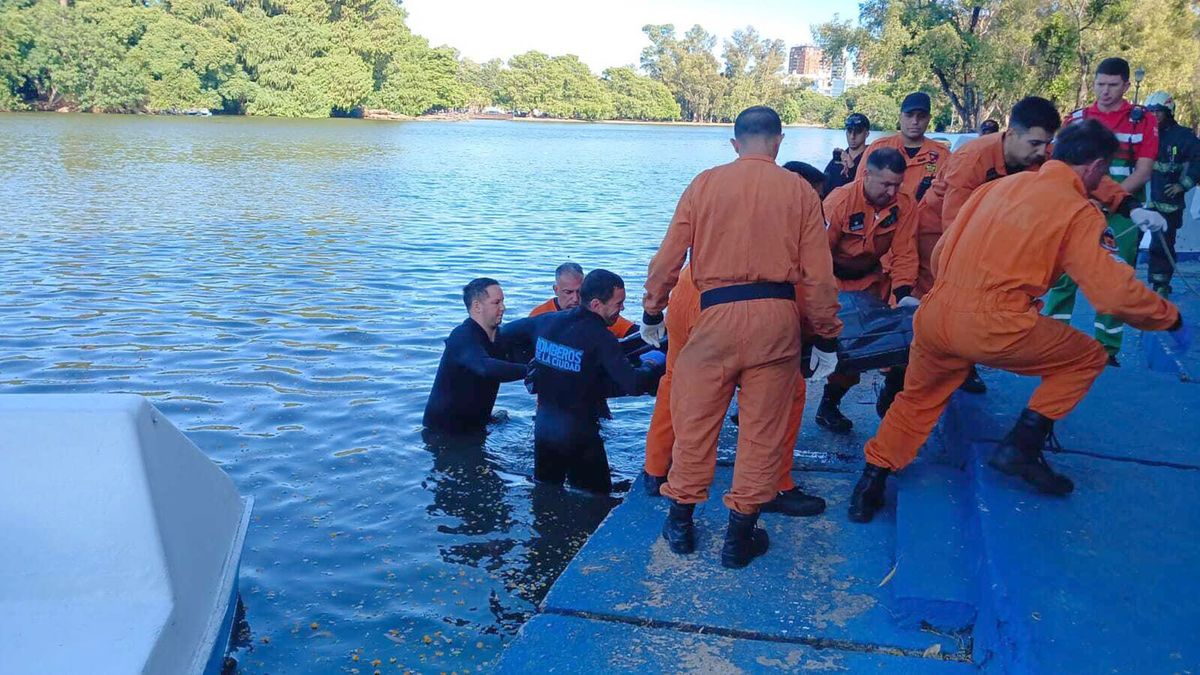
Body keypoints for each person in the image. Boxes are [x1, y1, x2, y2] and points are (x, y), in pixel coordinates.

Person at [846, 120, 1187, 523]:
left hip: (936, 312)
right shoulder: (1077, 211)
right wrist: (1169, 317)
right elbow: (1112, 295)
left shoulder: (996, 188)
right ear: (1096, 167)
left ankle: (870, 483)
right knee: (1086, 357)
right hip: (994, 323)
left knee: (918, 399)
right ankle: (1023, 446)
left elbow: (940, 253)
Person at [640, 106, 842, 569]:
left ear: (736, 144)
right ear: (778, 141)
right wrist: (827, 336)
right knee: (761, 433)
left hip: (715, 316)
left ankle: (681, 524)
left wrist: (653, 309)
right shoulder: (798, 191)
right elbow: (818, 276)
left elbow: (669, 256)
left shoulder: (705, 184)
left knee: (695, 425)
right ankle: (738, 539)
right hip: (777, 320)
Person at [641, 264, 827, 518]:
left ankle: (655, 469)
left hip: (689, 285)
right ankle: (775, 484)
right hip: (737, 304)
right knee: (788, 391)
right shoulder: (789, 226)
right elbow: (806, 287)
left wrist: (652, 311)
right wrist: (821, 336)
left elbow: (668, 256)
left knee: (676, 380)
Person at [1045, 57, 1167, 366]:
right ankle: (1053, 340)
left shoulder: (1142, 121)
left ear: (1126, 85)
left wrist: (1110, 199)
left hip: (1123, 212)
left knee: (1116, 276)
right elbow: (1061, 167)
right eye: (1100, 84)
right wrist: (1088, 200)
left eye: (1113, 85)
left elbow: (1143, 171)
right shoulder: (1077, 119)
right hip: (1078, 207)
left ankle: (1107, 349)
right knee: (1063, 275)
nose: (1105, 91)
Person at [504, 270, 665, 493]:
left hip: (544, 431)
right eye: (619, 303)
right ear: (597, 304)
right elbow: (633, 384)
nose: (623, 309)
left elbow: (502, 334)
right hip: (581, 436)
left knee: (545, 493)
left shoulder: (544, 321)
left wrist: (532, 363)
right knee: (596, 498)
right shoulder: (602, 337)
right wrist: (651, 364)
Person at [814, 148, 919, 433]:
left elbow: (905, 253)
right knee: (837, 351)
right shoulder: (840, 202)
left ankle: (883, 394)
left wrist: (904, 293)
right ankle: (827, 405)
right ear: (866, 175)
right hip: (833, 281)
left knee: (884, 345)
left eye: (897, 184)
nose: (892, 191)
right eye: (886, 184)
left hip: (871, 284)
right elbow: (816, 254)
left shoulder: (904, 205)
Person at [423, 278, 528, 434]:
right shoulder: (462, 336)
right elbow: (484, 367)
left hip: (477, 425)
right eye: (496, 303)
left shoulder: (499, 338)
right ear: (477, 306)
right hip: (444, 431)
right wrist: (532, 370)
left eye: (503, 302)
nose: (503, 308)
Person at [1144, 91, 1200, 297]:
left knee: (1162, 245)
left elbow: (1198, 160)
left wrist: (1182, 185)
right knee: (1130, 243)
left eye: (1159, 111)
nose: (1154, 115)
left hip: (1168, 203)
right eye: (1151, 111)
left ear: (1169, 112)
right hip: (1142, 201)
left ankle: (1160, 286)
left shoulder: (1183, 136)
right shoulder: (1145, 133)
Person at [856, 93, 946, 202]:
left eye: (921, 116)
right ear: (900, 117)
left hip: (923, 217)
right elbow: (858, 189)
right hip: (882, 217)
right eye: (909, 115)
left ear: (929, 118)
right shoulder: (878, 148)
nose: (915, 121)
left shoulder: (943, 155)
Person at [529, 262, 637, 338]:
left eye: (579, 292)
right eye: (568, 292)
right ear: (556, 290)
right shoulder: (539, 314)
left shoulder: (596, 313)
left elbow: (633, 332)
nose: (575, 299)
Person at [823, 113, 871, 195]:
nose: (852, 136)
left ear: (866, 134)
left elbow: (867, 191)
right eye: (849, 130)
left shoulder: (872, 159)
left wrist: (852, 167)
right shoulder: (838, 158)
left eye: (858, 131)